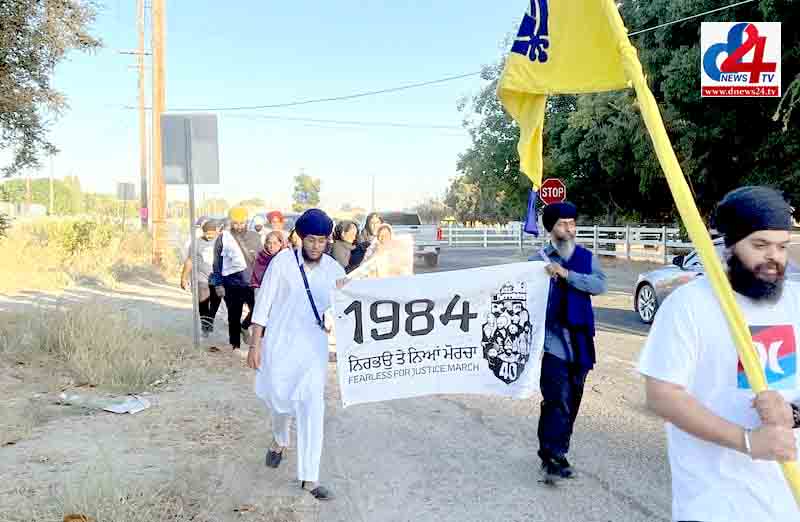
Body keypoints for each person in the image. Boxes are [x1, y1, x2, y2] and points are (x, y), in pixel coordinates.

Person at [639, 186, 800, 522]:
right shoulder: (689, 305)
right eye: (760, 245)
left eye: (782, 246)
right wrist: (747, 441)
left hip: (788, 500)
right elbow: (661, 395)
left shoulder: (796, 302)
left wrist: (794, 412)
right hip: (714, 505)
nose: (774, 257)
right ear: (727, 246)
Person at [247, 208, 345, 501]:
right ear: (301, 238)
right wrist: (255, 344)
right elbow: (263, 304)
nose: (316, 246)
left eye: (322, 241)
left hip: (313, 348)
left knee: (312, 406)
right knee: (280, 401)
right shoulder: (282, 263)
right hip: (280, 344)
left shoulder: (333, 270)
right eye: (311, 240)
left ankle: (309, 477)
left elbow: (349, 306)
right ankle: (279, 439)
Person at [528, 202, 607, 483]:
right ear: (551, 227)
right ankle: (552, 457)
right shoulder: (536, 261)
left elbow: (599, 285)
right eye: (563, 223)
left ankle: (557, 449)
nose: (570, 228)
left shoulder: (586, 257)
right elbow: (523, 296)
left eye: (572, 223)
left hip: (581, 340)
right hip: (552, 340)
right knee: (556, 399)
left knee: (572, 399)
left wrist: (567, 275)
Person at [210, 206, 263, 354]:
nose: (238, 226)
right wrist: (218, 283)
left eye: (241, 223)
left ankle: (245, 326)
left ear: (247, 221)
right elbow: (217, 263)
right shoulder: (223, 238)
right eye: (235, 223)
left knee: (258, 311)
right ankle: (235, 347)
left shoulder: (254, 237)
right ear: (230, 222)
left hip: (251, 283)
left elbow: (261, 260)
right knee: (233, 316)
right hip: (230, 284)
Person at [180, 219, 220, 337]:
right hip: (201, 278)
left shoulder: (221, 242)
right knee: (203, 302)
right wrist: (184, 278)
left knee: (216, 300)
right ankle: (205, 325)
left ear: (216, 232)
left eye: (212, 233)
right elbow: (189, 261)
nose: (209, 236)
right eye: (207, 233)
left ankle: (210, 319)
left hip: (217, 277)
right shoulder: (196, 243)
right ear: (203, 232)